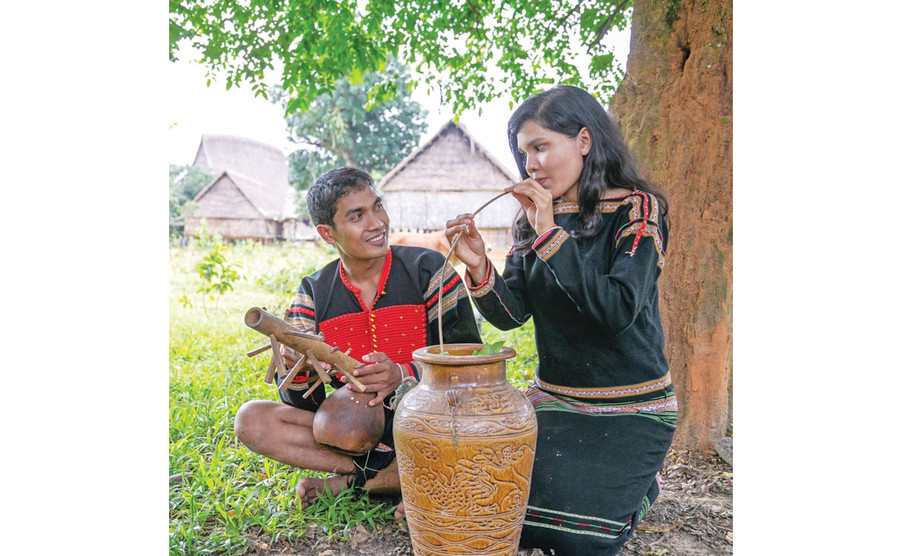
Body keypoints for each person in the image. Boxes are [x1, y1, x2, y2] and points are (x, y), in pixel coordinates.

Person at [445, 85, 677, 555]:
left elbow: (615, 311)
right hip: (554, 404)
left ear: (585, 141)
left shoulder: (637, 209)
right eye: (524, 153)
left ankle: (636, 491)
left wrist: (550, 233)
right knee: (495, 517)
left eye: (540, 147)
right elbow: (512, 315)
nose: (530, 165)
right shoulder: (531, 219)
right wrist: (477, 266)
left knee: (578, 544)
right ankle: (612, 492)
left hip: (631, 407)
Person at [234, 167, 481, 513]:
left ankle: (356, 484)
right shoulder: (314, 292)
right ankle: (408, 478)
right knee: (253, 421)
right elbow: (301, 402)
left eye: (377, 207)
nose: (377, 223)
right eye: (357, 216)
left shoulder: (429, 269)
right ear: (327, 233)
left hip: (429, 424)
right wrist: (297, 367)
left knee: (477, 428)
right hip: (352, 434)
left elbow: (470, 361)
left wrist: (403, 373)